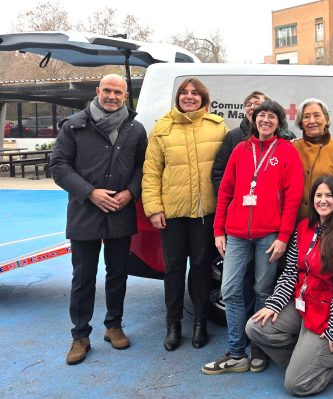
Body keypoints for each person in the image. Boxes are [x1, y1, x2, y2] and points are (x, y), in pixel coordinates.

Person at [50, 74, 147, 365]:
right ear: (97, 91)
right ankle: (80, 335)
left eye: (118, 92)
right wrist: (90, 193)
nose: (112, 96)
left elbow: (143, 168)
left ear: (125, 95)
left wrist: (131, 193)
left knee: (118, 273)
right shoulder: (74, 126)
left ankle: (113, 326)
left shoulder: (135, 129)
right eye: (107, 90)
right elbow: (58, 166)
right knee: (83, 277)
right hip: (85, 213)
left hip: (120, 211)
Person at [202, 100, 304, 375]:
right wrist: (218, 231)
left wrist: (283, 237)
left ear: (279, 122)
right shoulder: (240, 149)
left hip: (269, 236)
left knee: (262, 292)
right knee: (231, 291)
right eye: (262, 116)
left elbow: (293, 198)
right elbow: (225, 192)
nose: (266, 120)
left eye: (272, 116)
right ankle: (236, 353)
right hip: (235, 234)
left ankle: (259, 349)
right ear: (254, 120)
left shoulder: (286, 152)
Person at [245, 175, 333, 396]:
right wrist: (274, 304)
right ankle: (305, 359)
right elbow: (290, 271)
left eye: (329, 195)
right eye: (318, 195)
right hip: (303, 305)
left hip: (327, 314)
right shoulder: (303, 228)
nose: (323, 200)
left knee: (295, 385)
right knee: (254, 327)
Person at [142, 78, 228, 351]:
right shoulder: (162, 128)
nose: (189, 97)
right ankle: (173, 325)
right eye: (184, 93)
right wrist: (154, 208)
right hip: (173, 214)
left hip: (205, 214)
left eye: (195, 93)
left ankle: (201, 323)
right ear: (178, 97)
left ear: (204, 99)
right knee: (174, 270)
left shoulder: (217, 126)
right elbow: (151, 171)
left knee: (202, 270)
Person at [211, 91, 296, 195]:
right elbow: (219, 173)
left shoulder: (286, 137)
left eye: (257, 104)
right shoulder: (233, 136)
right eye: (248, 105)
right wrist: (233, 201)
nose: (252, 107)